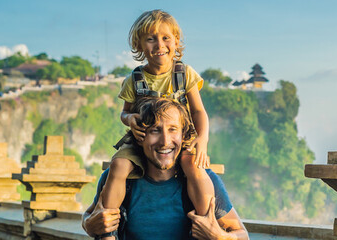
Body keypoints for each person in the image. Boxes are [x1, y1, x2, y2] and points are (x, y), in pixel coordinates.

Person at [97, 9, 216, 240]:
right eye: (150, 39)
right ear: (139, 45)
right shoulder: (134, 79)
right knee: (119, 165)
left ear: (176, 41)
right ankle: (108, 232)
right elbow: (125, 113)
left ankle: (207, 222)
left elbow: (199, 111)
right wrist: (130, 119)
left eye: (165, 38)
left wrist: (202, 140)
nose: (159, 45)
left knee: (193, 166)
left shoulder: (185, 74)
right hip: (141, 140)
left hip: (180, 141)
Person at [82, 97, 248, 239]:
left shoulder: (204, 180)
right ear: (140, 137)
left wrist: (219, 237)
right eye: (155, 130)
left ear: (183, 136)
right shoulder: (122, 180)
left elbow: (242, 233)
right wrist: (89, 225)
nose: (165, 141)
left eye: (173, 130)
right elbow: (90, 215)